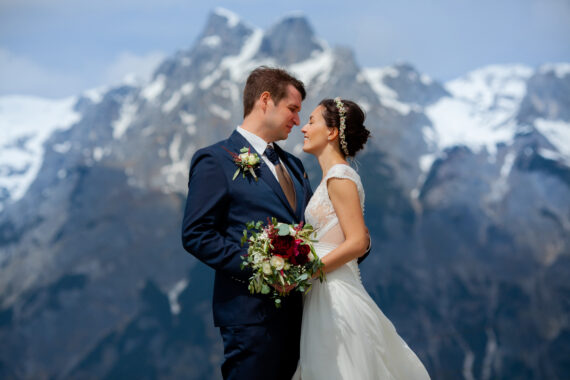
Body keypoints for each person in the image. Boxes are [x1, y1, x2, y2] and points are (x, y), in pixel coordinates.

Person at [181, 67, 313, 380]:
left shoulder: (294, 166)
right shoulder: (215, 160)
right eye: (292, 109)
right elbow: (196, 234)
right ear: (265, 100)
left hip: (304, 316)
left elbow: (310, 226)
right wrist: (263, 268)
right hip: (251, 317)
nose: (298, 120)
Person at [293, 98, 431, 379]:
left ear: (331, 132)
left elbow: (356, 242)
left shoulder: (340, 176)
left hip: (335, 293)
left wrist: (306, 272)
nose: (303, 129)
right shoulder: (331, 177)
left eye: (311, 121)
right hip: (322, 291)